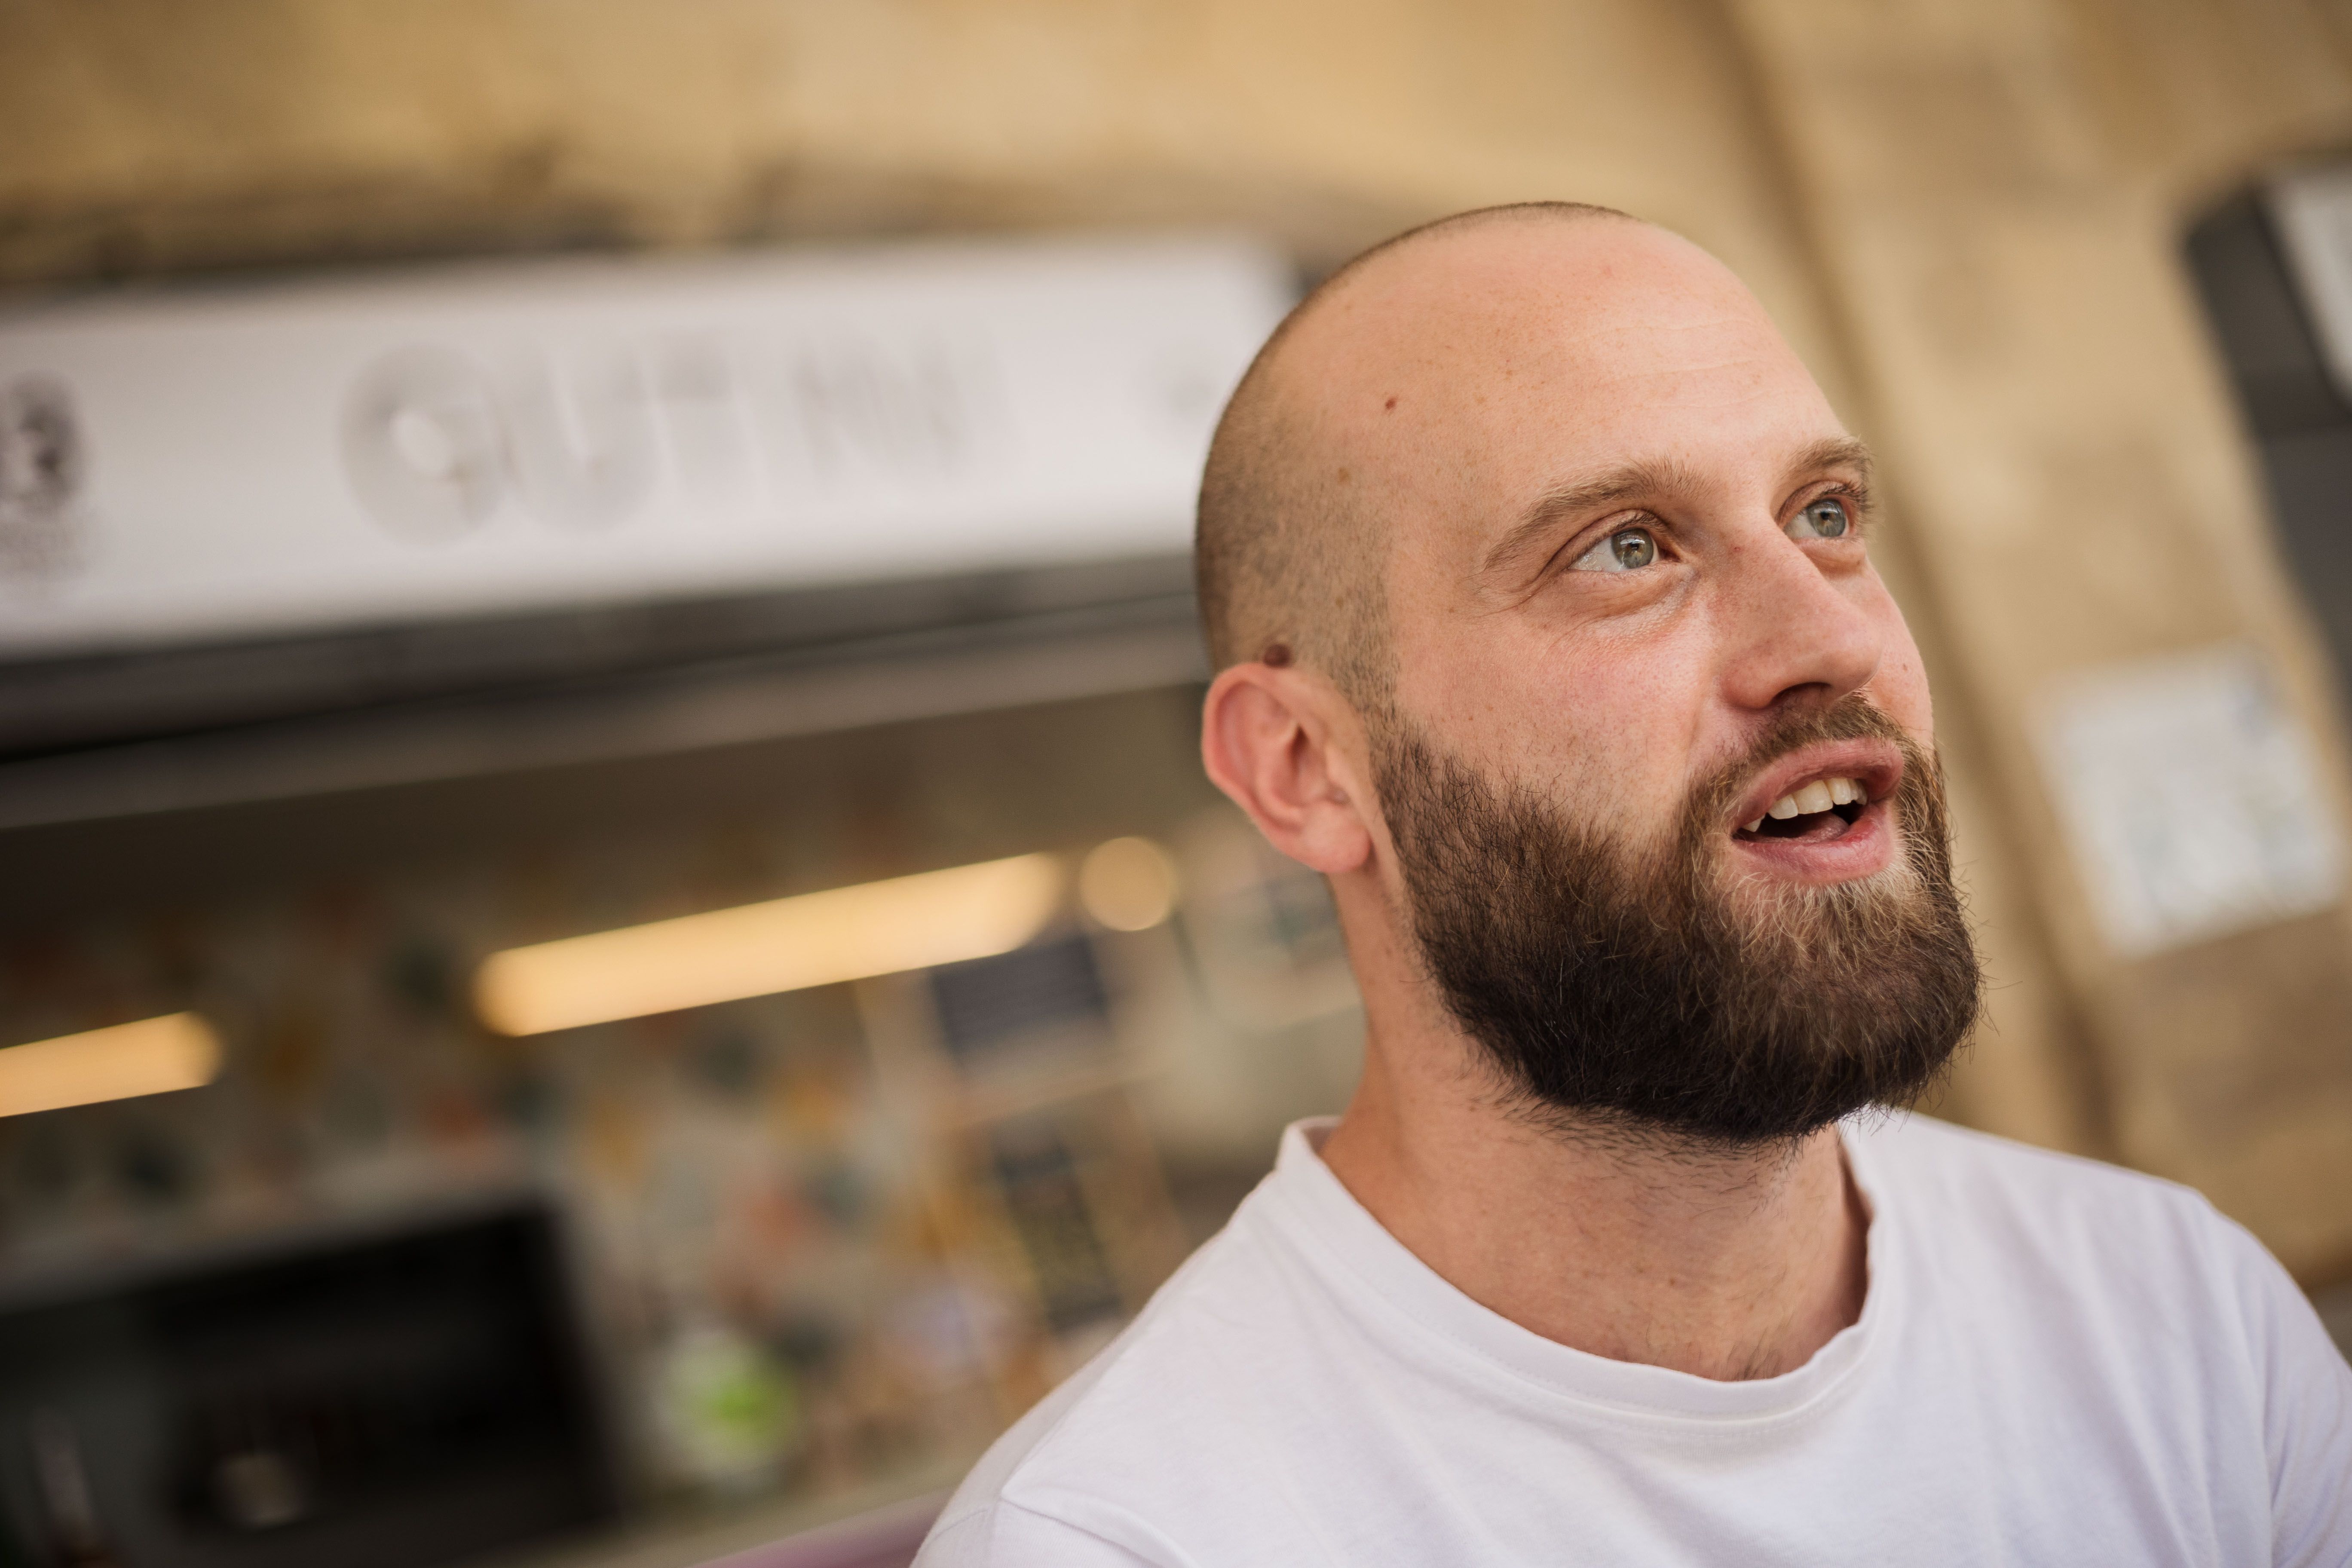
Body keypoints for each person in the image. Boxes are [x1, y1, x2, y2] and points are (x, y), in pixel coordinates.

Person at [913, 203, 2352, 1565]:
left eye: (1829, 514)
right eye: (1626, 549)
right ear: (1305, 767)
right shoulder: (1121, 1538)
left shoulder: (2176, 1316)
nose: (1828, 638)